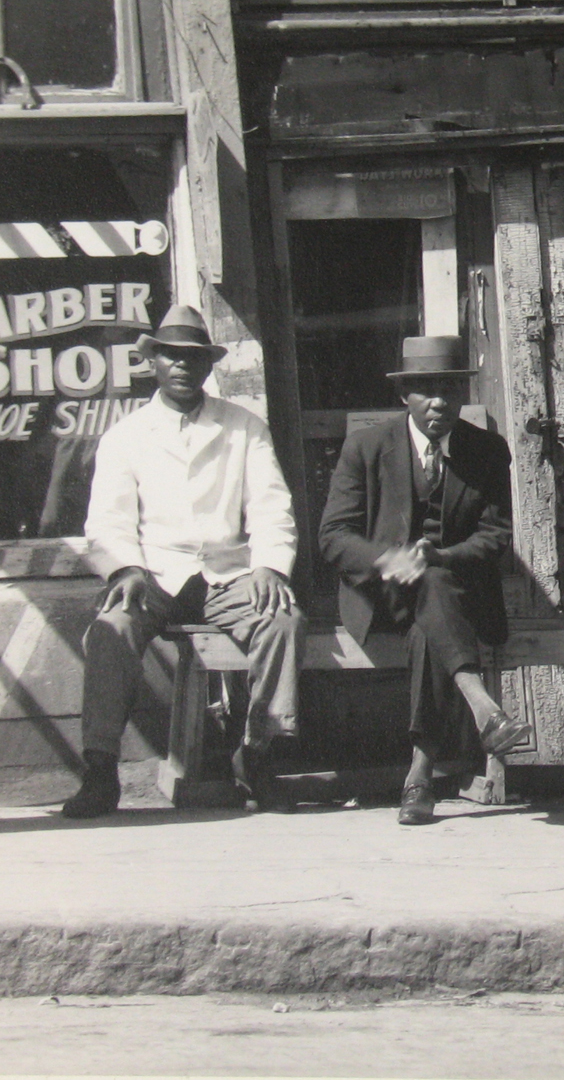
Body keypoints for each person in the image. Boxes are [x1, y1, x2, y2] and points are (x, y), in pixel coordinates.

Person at [63, 305, 302, 818]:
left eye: (194, 357)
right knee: (110, 629)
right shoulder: (125, 436)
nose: (182, 366)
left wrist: (269, 566)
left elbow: (270, 505)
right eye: (171, 355)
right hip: (156, 573)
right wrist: (126, 568)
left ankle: (259, 754)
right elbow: (107, 522)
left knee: (282, 620)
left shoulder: (243, 427)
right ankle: (101, 770)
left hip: (227, 573)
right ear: (153, 361)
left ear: (208, 365)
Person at [318, 335, 527, 827]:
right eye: (427, 391)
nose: (440, 402)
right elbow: (333, 537)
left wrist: (445, 555)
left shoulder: (487, 450)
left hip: (456, 597)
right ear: (403, 397)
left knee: (434, 594)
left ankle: (420, 774)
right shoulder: (366, 447)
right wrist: (389, 559)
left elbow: (496, 537)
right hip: (383, 596)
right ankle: (482, 707)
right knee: (430, 589)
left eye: (451, 390)